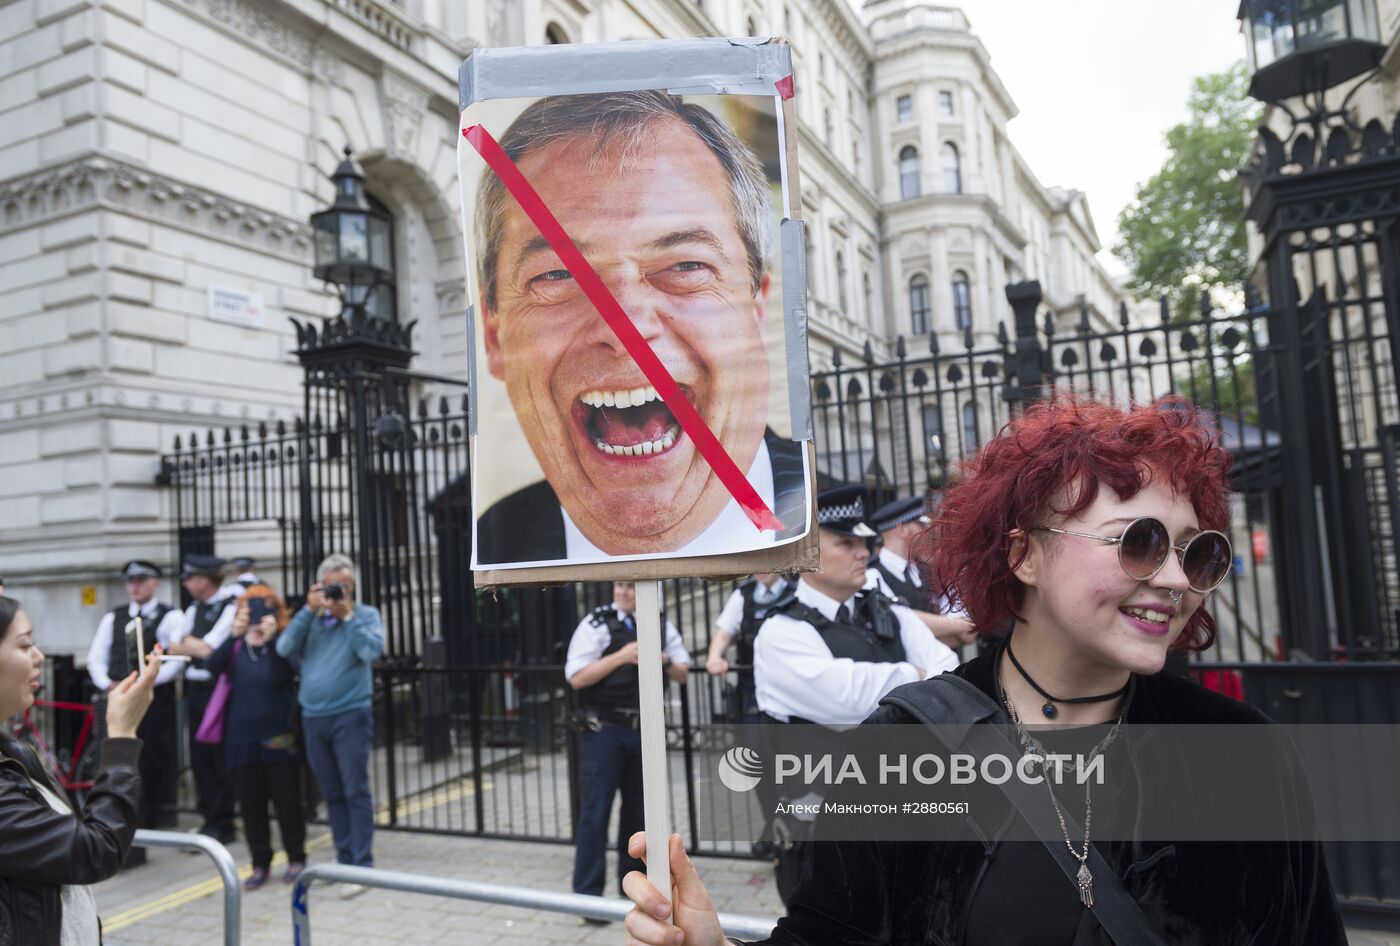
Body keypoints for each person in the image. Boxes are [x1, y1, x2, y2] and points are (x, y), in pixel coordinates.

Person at [619, 396, 1346, 945]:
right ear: (1023, 554)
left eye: (1198, 552)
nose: (1176, 580)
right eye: (1139, 542)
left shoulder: (1244, 754)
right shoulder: (904, 746)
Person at [473, 90, 807, 565]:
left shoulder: (842, 521)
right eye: (558, 275)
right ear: (494, 336)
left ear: (756, 308)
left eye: (686, 266)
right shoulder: (492, 545)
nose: (625, 329)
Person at [752, 484, 960, 903]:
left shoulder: (887, 611)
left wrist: (917, 681)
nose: (863, 552)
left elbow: (949, 672)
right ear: (806, 553)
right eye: (846, 543)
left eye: (863, 542)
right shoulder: (781, 632)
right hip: (824, 838)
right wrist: (915, 675)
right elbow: (847, 701)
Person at [0, 594, 162, 946]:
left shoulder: (11, 750)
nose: (39, 657)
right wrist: (121, 738)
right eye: (24, 645)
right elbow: (95, 849)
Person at [565, 580, 690, 917]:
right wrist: (621, 656)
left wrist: (662, 660)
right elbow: (576, 676)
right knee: (595, 813)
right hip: (604, 731)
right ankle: (588, 900)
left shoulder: (660, 622)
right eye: (620, 585)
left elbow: (683, 673)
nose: (623, 592)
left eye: (631, 587)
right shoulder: (597, 623)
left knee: (639, 816)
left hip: (644, 731)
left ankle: (633, 893)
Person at [275, 553, 383, 899]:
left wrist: (347, 616)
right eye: (333, 586)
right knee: (332, 793)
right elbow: (284, 647)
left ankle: (362, 867)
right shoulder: (312, 619)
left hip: (350, 714)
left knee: (355, 790)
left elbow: (371, 652)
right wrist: (308, 611)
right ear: (320, 587)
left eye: (346, 586)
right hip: (314, 716)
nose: (339, 592)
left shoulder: (365, 615)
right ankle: (344, 859)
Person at [205, 584, 306, 891]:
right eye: (249, 609)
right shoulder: (236, 645)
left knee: (288, 802)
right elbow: (211, 666)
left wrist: (275, 639)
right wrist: (232, 634)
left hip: (278, 739)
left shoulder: (282, 644)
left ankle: (296, 857)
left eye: (264, 608)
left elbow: (295, 671)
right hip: (241, 741)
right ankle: (260, 863)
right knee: (251, 808)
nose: (256, 616)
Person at [85, 560, 184, 833]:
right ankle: (126, 814)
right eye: (131, 581)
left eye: (142, 580)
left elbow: (174, 660)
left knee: (155, 754)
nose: (135, 586)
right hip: (119, 696)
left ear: (155, 583)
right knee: (118, 750)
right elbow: (96, 657)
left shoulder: (170, 616)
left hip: (154, 696)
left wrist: (147, 681)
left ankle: (157, 816)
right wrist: (108, 684)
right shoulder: (113, 617)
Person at [167, 554, 240, 843]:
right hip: (194, 688)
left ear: (204, 581)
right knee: (199, 757)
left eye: (190, 578)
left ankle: (224, 821)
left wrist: (190, 645)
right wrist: (192, 646)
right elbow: (174, 646)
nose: (185, 583)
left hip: (217, 689)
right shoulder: (193, 609)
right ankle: (209, 817)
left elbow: (211, 650)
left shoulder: (230, 606)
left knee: (217, 755)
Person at [865, 495, 978, 651]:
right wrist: (957, 626)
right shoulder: (871, 575)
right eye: (920, 524)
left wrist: (921, 630)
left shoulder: (930, 570)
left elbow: (968, 633)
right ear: (902, 530)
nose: (927, 531)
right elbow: (895, 623)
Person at [705, 573, 789, 723]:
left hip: (788, 687)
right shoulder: (742, 595)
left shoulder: (795, 592)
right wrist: (714, 657)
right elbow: (724, 634)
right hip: (751, 688)